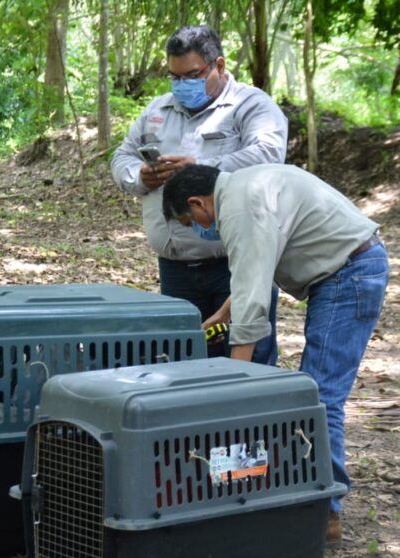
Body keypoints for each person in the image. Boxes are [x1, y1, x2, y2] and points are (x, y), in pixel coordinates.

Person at [162, 163, 389, 544]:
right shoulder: (247, 188)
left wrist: (234, 383)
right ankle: (306, 498)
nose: (200, 231)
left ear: (198, 203)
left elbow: (254, 299)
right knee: (316, 395)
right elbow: (254, 272)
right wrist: (221, 314)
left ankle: (323, 514)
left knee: (320, 397)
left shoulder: (240, 207)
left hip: (347, 273)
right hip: (346, 270)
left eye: (191, 221)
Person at [111, 25, 286, 365]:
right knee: (184, 358)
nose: (182, 85)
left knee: (245, 355)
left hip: (233, 263)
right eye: (174, 77)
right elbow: (123, 156)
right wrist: (140, 177)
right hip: (175, 266)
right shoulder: (157, 110)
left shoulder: (250, 106)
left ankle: (247, 418)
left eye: (192, 75)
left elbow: (267, 156)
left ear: (218, 66)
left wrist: (198, 168)